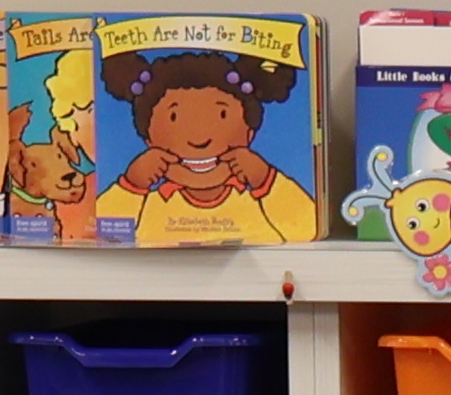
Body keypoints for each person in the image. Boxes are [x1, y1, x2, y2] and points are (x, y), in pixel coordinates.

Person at [101, 40, 320, 245]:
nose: (199, 139)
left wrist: (267, 180)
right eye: (175, 118)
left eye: (221, 115)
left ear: (249, 133)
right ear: (149, 140)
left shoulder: (257, 202)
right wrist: (131, 185)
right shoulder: (150, 205)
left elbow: (303, 227)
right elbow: (107, 236)